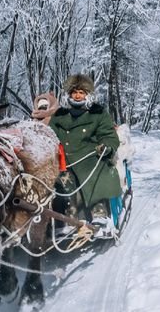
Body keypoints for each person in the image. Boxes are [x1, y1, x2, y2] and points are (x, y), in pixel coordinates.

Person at [48, 74, 122, 234]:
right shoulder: (59, 115)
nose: (78, 95)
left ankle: (100, 213)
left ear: (87, 94)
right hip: (65, 160)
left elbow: (108, 135)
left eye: (81, 92)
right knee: (62, 181)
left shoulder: (98, 113)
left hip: (91, 157)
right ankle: (68, 218)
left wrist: (106, 146)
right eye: (74, 92)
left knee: (98, 174)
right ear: (69, 94)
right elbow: (49, 135)